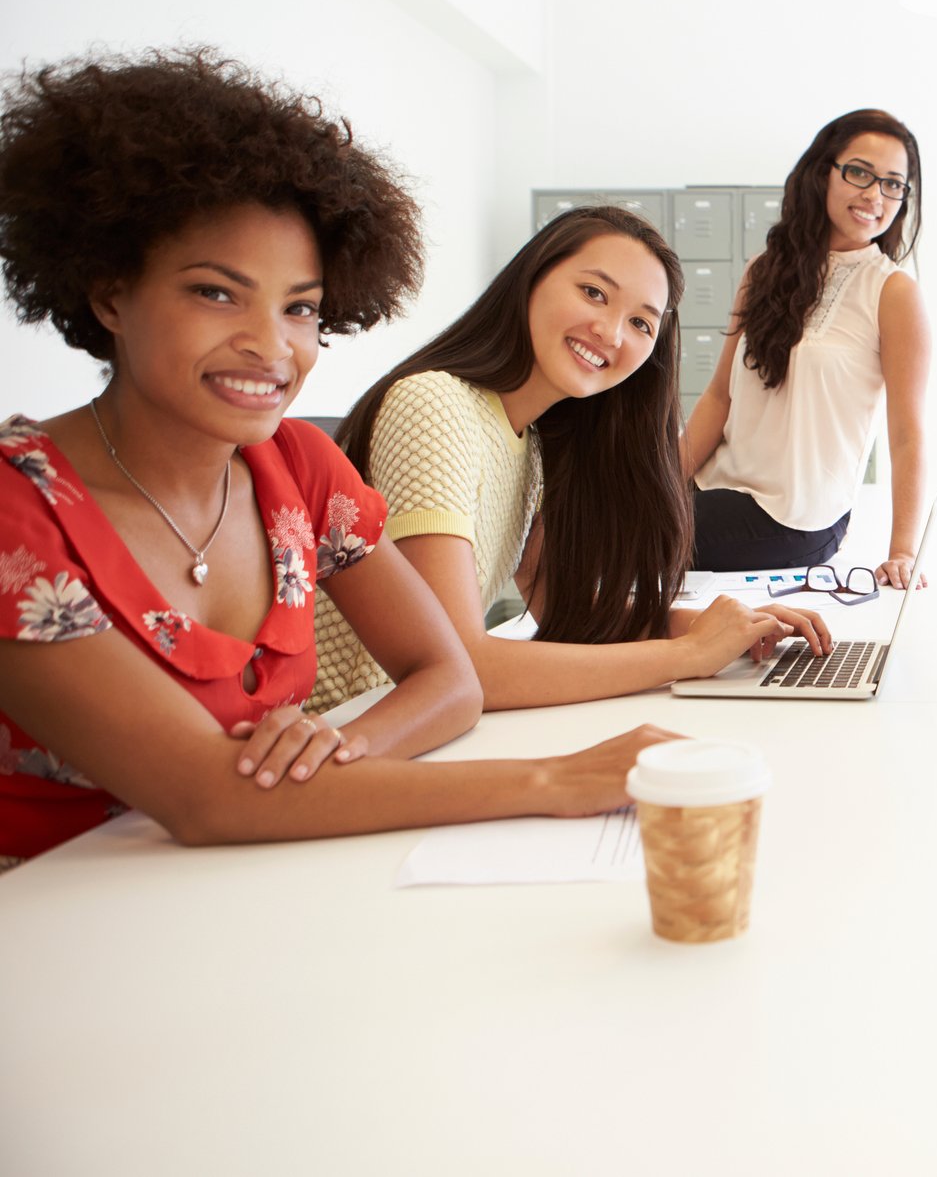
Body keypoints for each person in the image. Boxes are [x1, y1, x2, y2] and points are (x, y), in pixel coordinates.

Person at [0, 50, 670, 869]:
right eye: (216, 292)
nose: (270, 343)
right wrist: (554, 779)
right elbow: (206, 796)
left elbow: (450, 677)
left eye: (301, 307)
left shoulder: (299, 467)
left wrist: (334, 746)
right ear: (109, 293)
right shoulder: (17, 508)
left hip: (258, 879)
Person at [312, 207, 829, 714]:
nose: (611, 333)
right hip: (332, 728)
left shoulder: (532, 446)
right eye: (594, 293)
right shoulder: (435, 406)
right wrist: (687, 655)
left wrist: (729, 627)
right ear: (533, 278)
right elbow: (460, 665)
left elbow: (569, 614)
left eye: (641, 324)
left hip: (405, 728)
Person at [681, 109, 932, 588]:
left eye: (893, 184)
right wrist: (665, 486)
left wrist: (903, 551)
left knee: (624, 535)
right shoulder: (762, 271)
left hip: (796, 515)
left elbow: (907, 432)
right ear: (822, 173)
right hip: (718, 485)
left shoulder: (894, 292)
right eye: (859, 172)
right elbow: (719, 397)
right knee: (616, 512)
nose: (874, 195)